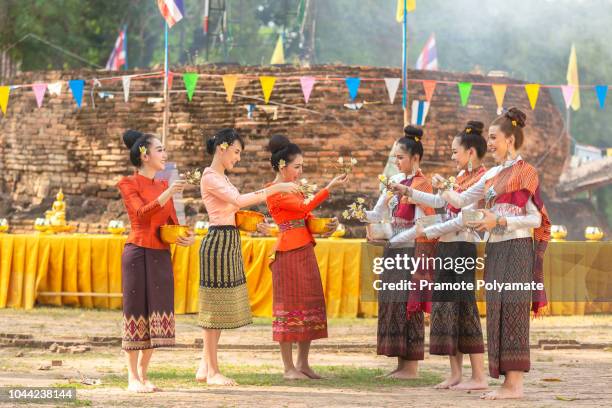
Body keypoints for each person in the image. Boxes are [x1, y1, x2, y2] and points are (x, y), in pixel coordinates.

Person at [425, 108, 550, 399]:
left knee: (513, 310)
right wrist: (443, 187)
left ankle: (514, 385)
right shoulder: (493, 174)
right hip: (495, 248)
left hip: (518, 248)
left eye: (494, 138)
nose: (489, 143)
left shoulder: (526, 173)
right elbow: (461, 200)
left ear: (510, 139)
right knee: (496, 311)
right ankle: (505, 382)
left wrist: (501, 220)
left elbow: (535, 219)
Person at [195, 128, 298, 386]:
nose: (238, 158)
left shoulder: (222, 178)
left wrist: (254, 226)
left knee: (219, 309)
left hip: (228, 239)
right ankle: (213, 372)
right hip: (218, 242)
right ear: (222, 147)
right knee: (213, 308)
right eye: (237, 152)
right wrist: (277, 188)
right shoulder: (210, 177)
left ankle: (205, 365)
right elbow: (239, 201)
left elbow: (231, 212)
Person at [391, 121, 488, 390]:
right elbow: (441, 203)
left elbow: (463, 219)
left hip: (462, 247)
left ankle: (478, 376)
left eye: (455, 151)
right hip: (446, 247)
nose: (452, 156)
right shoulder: (458, 179)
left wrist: (432, 229)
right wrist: (409, 191)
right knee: (445, 311)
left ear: (470, 152)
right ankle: (455, 373)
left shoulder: (482, 179)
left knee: (466, 309)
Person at [117, 129, 195, 393]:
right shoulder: (128, 183)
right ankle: (131, 376)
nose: (164, 154)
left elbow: (171, 223)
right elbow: (141, 216)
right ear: (145, 154)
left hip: (161, 253)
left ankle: (144, 373)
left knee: (156, 313)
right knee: (136, 311)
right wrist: (167, 193)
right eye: (159, 149)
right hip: (137, 252)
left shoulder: (164, 185)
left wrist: (185, 236)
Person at [265, 134, 347, 379]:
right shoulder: (273, 190)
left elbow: (306, 219)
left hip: (304, 249)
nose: (300, 172)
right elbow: (301, 209)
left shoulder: (295, 189)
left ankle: (303, 363)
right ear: (282, 166)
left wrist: (325, 226)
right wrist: (328, 189)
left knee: (309, 304)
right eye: (297, 167)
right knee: (289, 307)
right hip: (287, 253)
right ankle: (288, 367)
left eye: (302, 167)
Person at [364, 126, 436, 379]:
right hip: (394, 252)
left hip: (411, 253)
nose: (396, 161)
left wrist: (397, 238)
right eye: (394, 157)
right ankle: (400, 365)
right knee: (393, 305)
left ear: (415, 158)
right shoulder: (395, 184)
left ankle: (411, 367)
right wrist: (359, 214)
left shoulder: (422, 185)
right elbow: (378, 214)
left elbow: (424, 225)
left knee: (409, 306)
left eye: (401, 157)